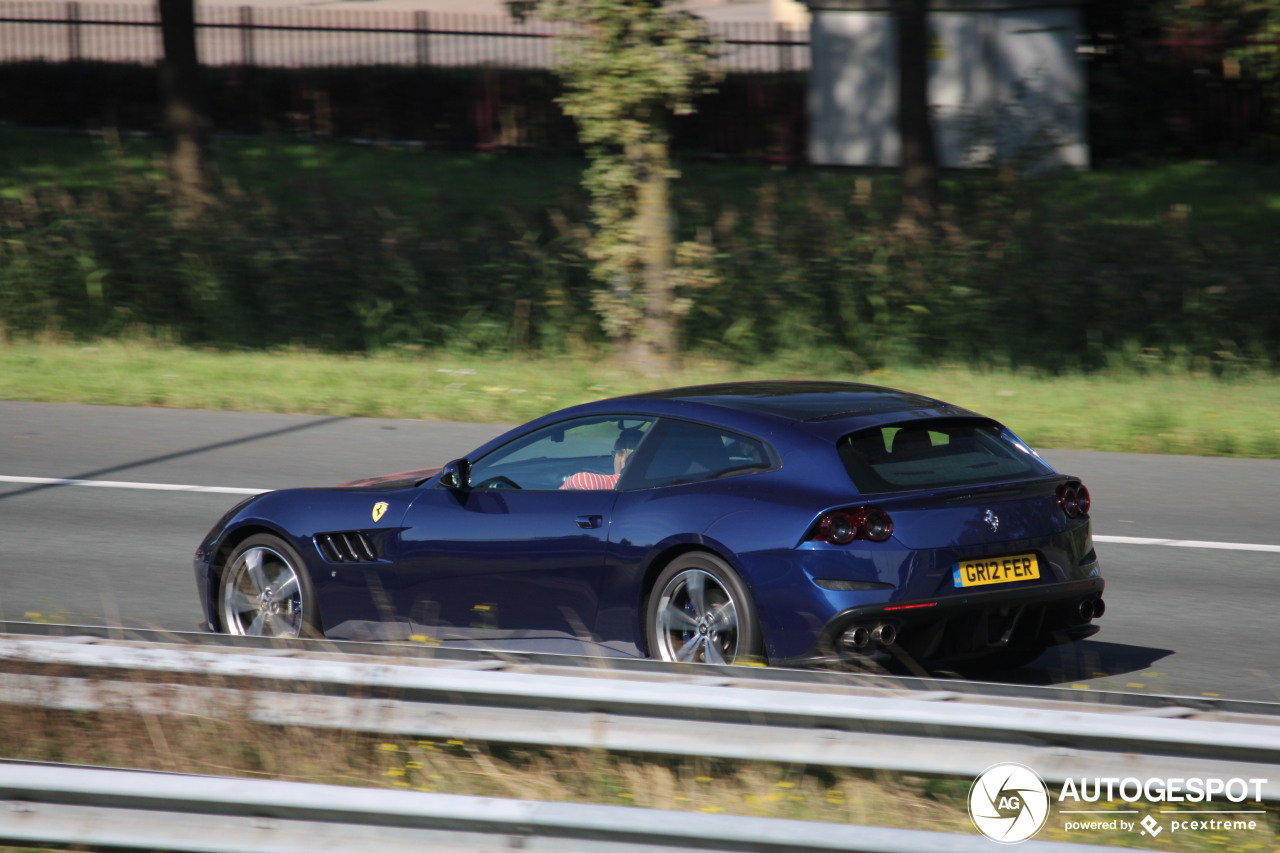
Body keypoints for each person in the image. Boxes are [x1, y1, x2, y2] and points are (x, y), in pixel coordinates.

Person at [560, 429, 642, 490]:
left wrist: (568, 480)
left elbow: (579, 480)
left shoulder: (582, 480)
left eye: (615, 454)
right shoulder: (648, 481)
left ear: (623, 458)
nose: (613, 459)